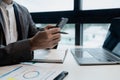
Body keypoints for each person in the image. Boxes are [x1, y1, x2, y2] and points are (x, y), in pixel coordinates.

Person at [0, 0, 61, 66]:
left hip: (19, 66)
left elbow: (33, 34)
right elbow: (32, 42)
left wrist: (47, 35)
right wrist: (31, 44)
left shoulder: (23, 10)